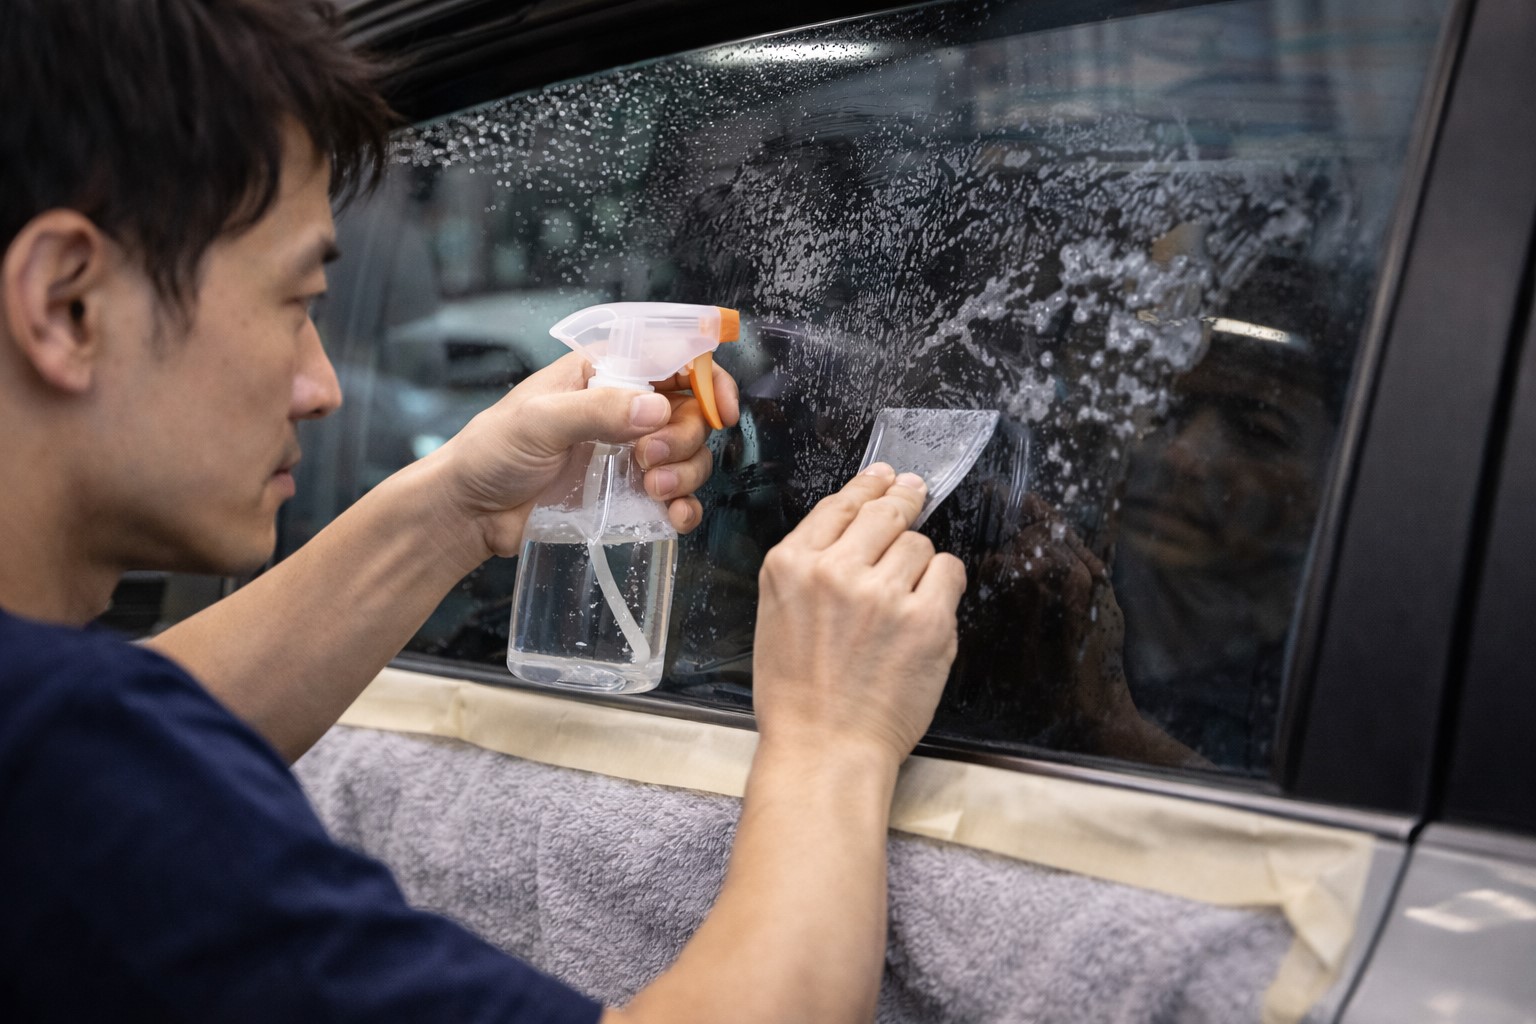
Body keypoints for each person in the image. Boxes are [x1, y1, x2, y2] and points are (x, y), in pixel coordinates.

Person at [0, 2, 966, 1021]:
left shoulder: (53, 748)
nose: (321, 388)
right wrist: (829, 741)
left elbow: (151, 730)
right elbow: (108, 761)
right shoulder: (68, 768)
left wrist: (463, 507)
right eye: (296, 303)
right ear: (68, 304)